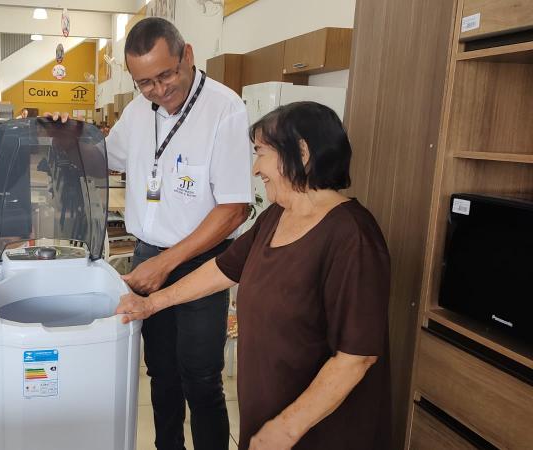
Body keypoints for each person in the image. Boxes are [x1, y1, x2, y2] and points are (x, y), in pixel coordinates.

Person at [117, 101, 392, 450]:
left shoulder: (353, 235)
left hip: (317, 430)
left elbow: (357, 356)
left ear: (302, 152)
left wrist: (287, 429)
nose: (255, 168)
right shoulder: (276, 217)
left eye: (261, 153)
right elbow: (223, 269)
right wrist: (152, 304)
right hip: (271, 416)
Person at [51, 17, 252, 450]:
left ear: (188, 56)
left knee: (200, 379)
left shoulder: (225, 108)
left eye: (166, 75)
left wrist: (168, 261)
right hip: (146, 255)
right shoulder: (138, 110)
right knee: (160, 374)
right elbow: (107, 157)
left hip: (201, 263)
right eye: (145, 83)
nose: (159, 91)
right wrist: (71, 140)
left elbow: (235, 208)